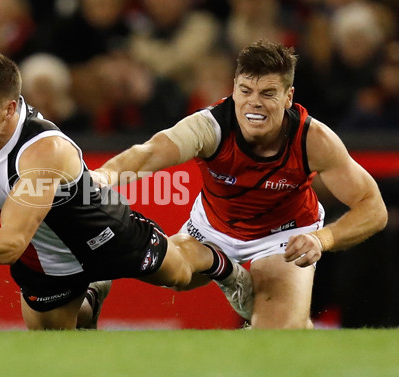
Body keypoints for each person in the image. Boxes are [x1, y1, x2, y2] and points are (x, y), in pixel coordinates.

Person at [0, 50, 254, 330]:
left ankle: (226, 266)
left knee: (179, 275)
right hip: (49, 256)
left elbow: (10, 243)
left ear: (8, 109)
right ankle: (91, 293)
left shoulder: (43, 151)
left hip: (101, 231)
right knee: (56, 337)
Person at [93, 40, 388, 329]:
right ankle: (223, 272)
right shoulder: (209, 127)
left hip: (284, 235)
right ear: (234, 88)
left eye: (268, 93)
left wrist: (322, 240)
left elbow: (373, 209)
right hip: (211, 228)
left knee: (278, 335)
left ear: (288, 97)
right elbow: (149, 154)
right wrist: (102, 177)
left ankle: (291, 321)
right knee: (169, 272)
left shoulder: (314, 140)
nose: (254, 102)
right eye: (245, 91)